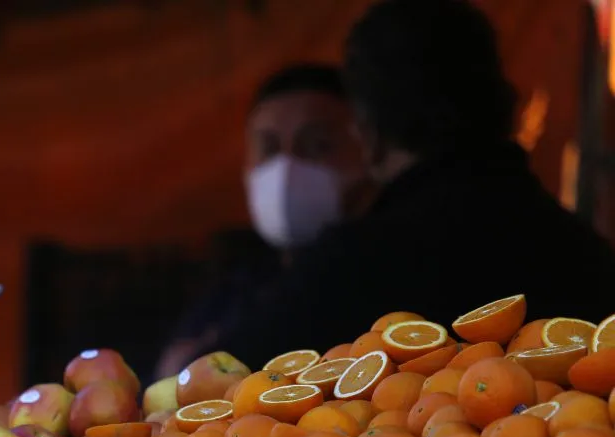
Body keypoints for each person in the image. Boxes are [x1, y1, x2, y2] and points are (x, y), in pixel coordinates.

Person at [212, 0, 615, 370]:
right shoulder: (584, 250)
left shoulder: (351, 267)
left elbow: (218, 379)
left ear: (368, 133)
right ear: (503, 103)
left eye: (318, 144)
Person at [154, 64, 373, 379]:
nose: (286, 167)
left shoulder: (384, 276)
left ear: (369, 150)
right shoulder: (230, 295)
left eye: (316, 146)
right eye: (269, 148)